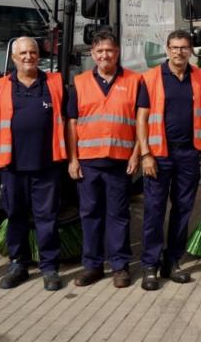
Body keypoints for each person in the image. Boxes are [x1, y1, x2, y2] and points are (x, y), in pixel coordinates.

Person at [66, 28, 145, 288]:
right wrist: (73, 160)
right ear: (92, 54)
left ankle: (120, 266)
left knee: (119, 215)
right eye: (99, 51)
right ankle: (92, 266)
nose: (104, 55)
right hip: (88, 163)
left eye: (109, 50)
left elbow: (141, 123)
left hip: (120, 162)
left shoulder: (135, 81)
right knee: (90, 215)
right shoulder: (79, 83)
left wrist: (136, 155)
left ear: (117, 52)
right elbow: (72, 124)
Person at [0, 36, 67, 292]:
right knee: (16, 217)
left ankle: (49, 267)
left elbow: (66, 119)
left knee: (47, 218)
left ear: (39, 55)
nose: (28, 57)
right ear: (13, 58)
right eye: (22, 53)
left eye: (32, 52)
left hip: (47, 165)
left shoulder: (54, 83)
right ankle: (17, 265)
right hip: (13, 166)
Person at [139, 30, 201, 291]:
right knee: (155, 211)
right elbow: (142, 119)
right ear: (167, 49)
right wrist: (146, 153)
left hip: (189, 154)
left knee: (182, 210)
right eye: (174, 47)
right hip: (159, 154)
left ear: (190, 51)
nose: (179, 52)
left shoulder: (199, 77)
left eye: (184, 47)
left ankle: (173, 261)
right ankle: (150, 264)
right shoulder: (152, 77)